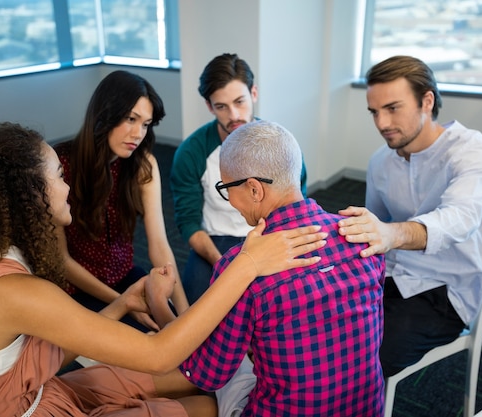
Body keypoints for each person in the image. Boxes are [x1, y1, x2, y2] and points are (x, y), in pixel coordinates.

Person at [0, 122, 327, 416]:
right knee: (203, 401)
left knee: (196, 382)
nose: (67, 185)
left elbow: (38, 349)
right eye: (57, 175)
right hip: (30, 407)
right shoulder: (14, 291)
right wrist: (249, 262)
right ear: (27, 194)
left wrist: (126, 302)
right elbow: (159, 352)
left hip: (18, 393)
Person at [157, 120, 385, 416]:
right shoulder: (362, 236)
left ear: (254, 189)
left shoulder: (243, 267)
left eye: (227, 188)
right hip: (367, 408)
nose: (231, 202)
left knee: (227, 379)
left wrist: (159, 302)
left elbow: (206, 373)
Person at [337, 55, 482, 377]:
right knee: (313, 328)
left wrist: (392, 234)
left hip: (446, 292)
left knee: (364, 363)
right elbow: (375, 227)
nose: (382, 123)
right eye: (374, 112)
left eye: (393, 108)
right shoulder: (380, 162)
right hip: (388, 276)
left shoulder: (471, 150)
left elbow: (460, 217)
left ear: (426, 101)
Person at [54, 70, 188, 330]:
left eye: (146, 124)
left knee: (172, 332)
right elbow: (61, 260)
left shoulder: (143, 165)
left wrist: (185, 314)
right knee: (133, 351)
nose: (138, 133)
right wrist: (123, 303)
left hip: (124, 276)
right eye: (130, 119)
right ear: (104, 115)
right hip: (75, 288)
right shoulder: (61, 165)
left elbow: (159, 245)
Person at [170, 53, 308, 304]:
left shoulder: (282, 145)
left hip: (271, 234)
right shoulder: (191, 153)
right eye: (221, 106)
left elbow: (297, 206)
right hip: (215, 243)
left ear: (254, 93)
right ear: (210, 107)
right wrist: (224, 265)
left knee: (293, 307)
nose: (234, 115)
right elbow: (188, 223)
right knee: (196, 312)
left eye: (240, 102)